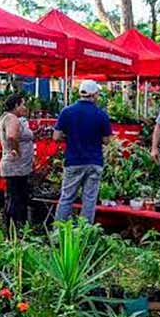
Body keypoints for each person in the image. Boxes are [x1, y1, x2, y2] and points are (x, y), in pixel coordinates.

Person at [53, 80, 112, 224]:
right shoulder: (101, 114)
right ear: (94, 94)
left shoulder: (67, 111)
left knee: (67, 198)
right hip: (94, 161)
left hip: (73, 160)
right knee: (89, 200)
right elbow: (106, 140)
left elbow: (56, 137)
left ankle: (59, 232)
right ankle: (85, 234)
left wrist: (70, 136)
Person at [0, 93, 34, 227]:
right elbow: (12, 136)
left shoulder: (4, 117)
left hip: (14, 164)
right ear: (16, 105)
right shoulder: (12, 118)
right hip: (16, 166)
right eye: (22, 104)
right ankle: (15, 229)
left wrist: (4, 146)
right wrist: (15, 149)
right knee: (17, 198)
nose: (24, 108)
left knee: (12, 196)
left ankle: (10, 228)